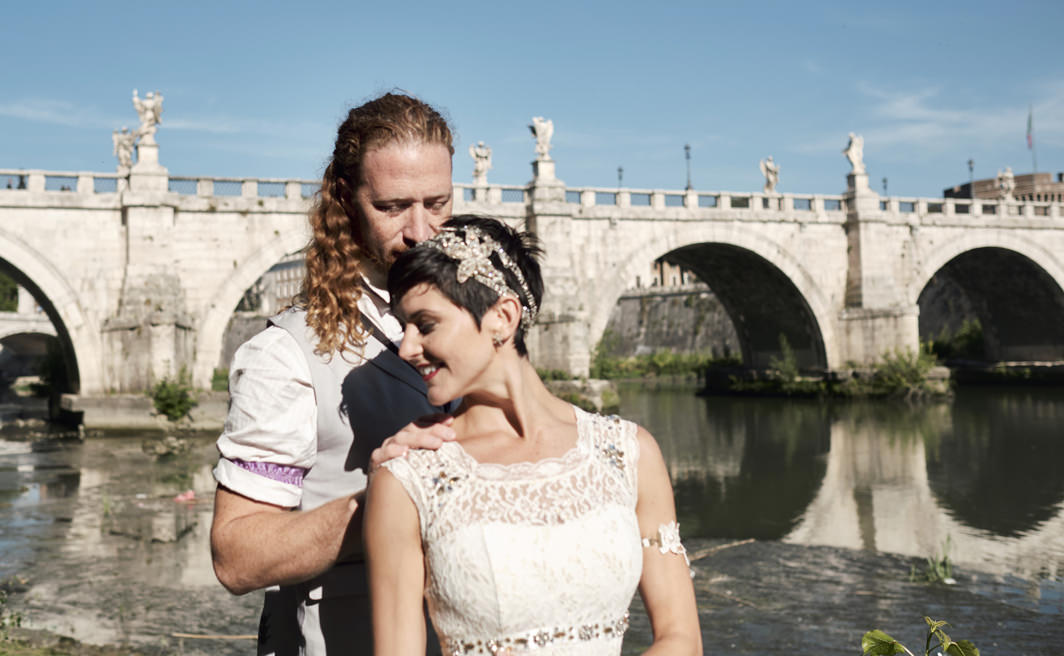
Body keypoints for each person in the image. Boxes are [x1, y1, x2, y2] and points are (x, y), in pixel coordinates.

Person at [366, 215, 703, 656]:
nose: (407, 348)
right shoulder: (406, 481)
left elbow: (682, 640)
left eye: (425, 325)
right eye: (402, 327)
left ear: (502, 318)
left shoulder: (630, 453)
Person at [210, 92, 460, 656]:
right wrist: (386, 499)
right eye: (393, 207)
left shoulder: (479, 322)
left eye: (437, 202)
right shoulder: (284, 354)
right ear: (346, 199)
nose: (421, 230)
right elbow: (236, 556)